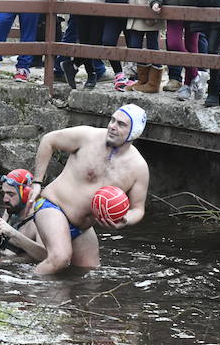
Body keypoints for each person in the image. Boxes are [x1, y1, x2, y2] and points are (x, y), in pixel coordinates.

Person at [26, 104, 150, 274]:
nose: (112, 126)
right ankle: (24, 294)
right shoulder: (87, 136)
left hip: (82, 227)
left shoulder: (139, 167)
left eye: (121, 124)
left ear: (134, 132)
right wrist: (37, 182)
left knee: (90, 273)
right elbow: (49, 140)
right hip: (53, 206)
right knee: (60, 258)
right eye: (112, 120)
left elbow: (138, 209)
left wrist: (124, 220)